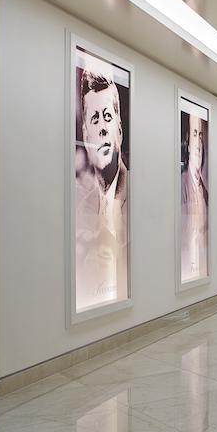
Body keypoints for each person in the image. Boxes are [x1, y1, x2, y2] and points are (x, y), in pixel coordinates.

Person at [75, 67, 128, 308]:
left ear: (119, 129)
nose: (103, 128)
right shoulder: (79, 208)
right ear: (86, 136)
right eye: (95, 120)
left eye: (108, 117)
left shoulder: (137, 195)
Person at [181, 111, 209, 279]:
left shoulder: (204, 190)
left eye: (201, 135)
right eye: (194, 134)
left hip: (201, 259)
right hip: (187, 262)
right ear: (188, 144)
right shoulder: (182, 184)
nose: (198, 141)